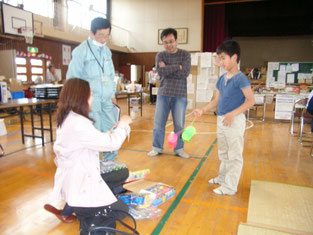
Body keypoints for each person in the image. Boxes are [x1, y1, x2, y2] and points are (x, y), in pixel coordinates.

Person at [44, 78, 131, 233]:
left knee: (121, 173)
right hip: (81, 186)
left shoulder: (69, 118)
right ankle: (87, 213)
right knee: (122, 211)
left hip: (76, 180)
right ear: (81, 97)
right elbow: (112, 144)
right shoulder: (78, 124)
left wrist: (110, 133)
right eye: (90, 95)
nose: (92, 98)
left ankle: (80, 211)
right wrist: (124, 123)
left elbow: (90, 142)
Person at [193, 40, 255, 195]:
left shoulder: (241, 79)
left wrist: (233, 114)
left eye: (222, 58)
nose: (220, 62)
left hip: (234, 121)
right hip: (221, 120)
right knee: (224, 152)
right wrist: (203, 109)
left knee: (234, 154)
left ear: (234, 58)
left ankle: (230, 187)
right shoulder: (222, 79)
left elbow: (251, 101)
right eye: (218, 58)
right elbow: (216, 101)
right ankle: (222, 178)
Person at [66, 17, 118, 162]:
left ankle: (110, 164)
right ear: (91, 33)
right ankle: (93, 166)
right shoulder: (81, 51)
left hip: (107, 100)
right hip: (90, 101)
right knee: (93, 135)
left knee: (111, 131)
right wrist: (76, 101)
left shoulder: (107, 52)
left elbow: (111, 74)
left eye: (107, 35)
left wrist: (112, 93)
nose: (104, 39)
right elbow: (72, 78)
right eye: (101, 35)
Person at [147, 28, 191, 159]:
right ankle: (156, 147)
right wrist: (178, 66)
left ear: (176, 40)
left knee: (179, 124)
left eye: (171, 41)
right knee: (159, 123)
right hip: (163, 93)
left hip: (180, 95)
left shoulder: (185, 55)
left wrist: (167, 68)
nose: (169, 45)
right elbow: (161, 72)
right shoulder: (160, 55)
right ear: (162, 43)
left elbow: (185, 73)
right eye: (165, 42)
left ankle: (179, 149)